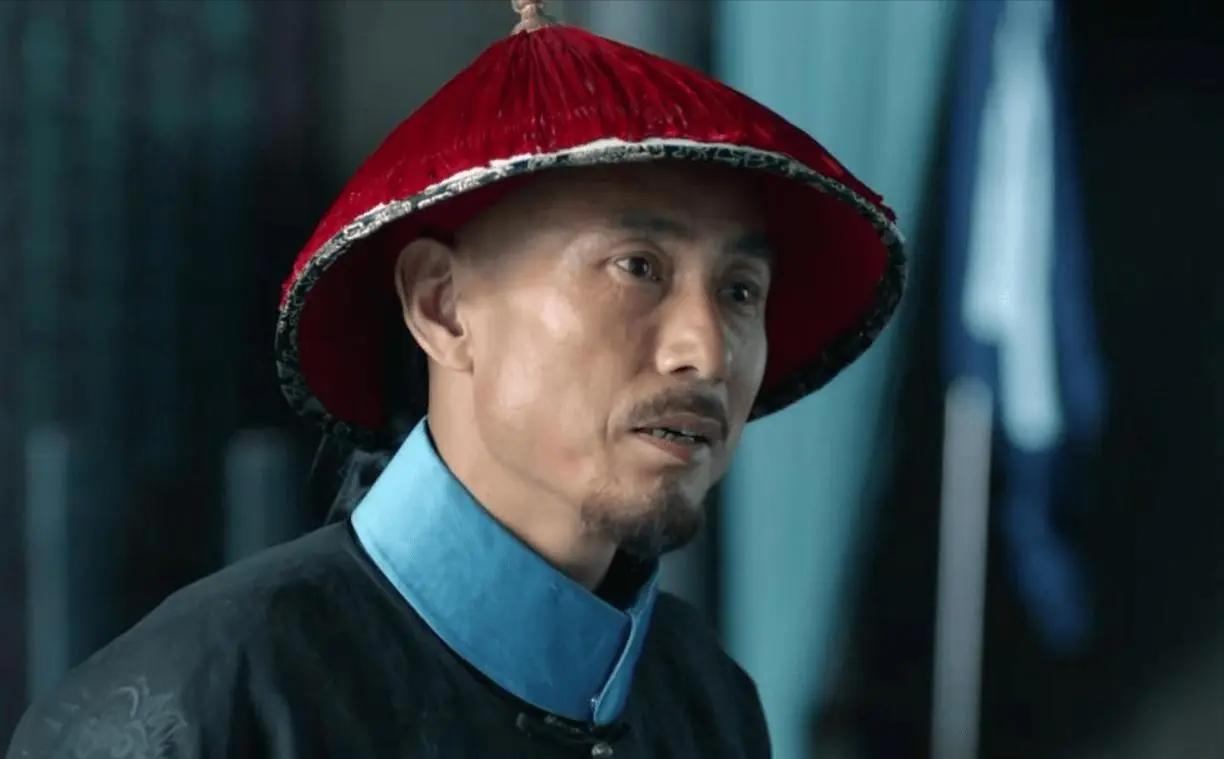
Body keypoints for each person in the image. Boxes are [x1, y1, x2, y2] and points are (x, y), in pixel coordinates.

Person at [7, 2, 903, 757]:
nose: (705, 353)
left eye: (740, 290)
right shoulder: (202, 706)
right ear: (442, 305)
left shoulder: (704, 700)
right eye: (638, 267)